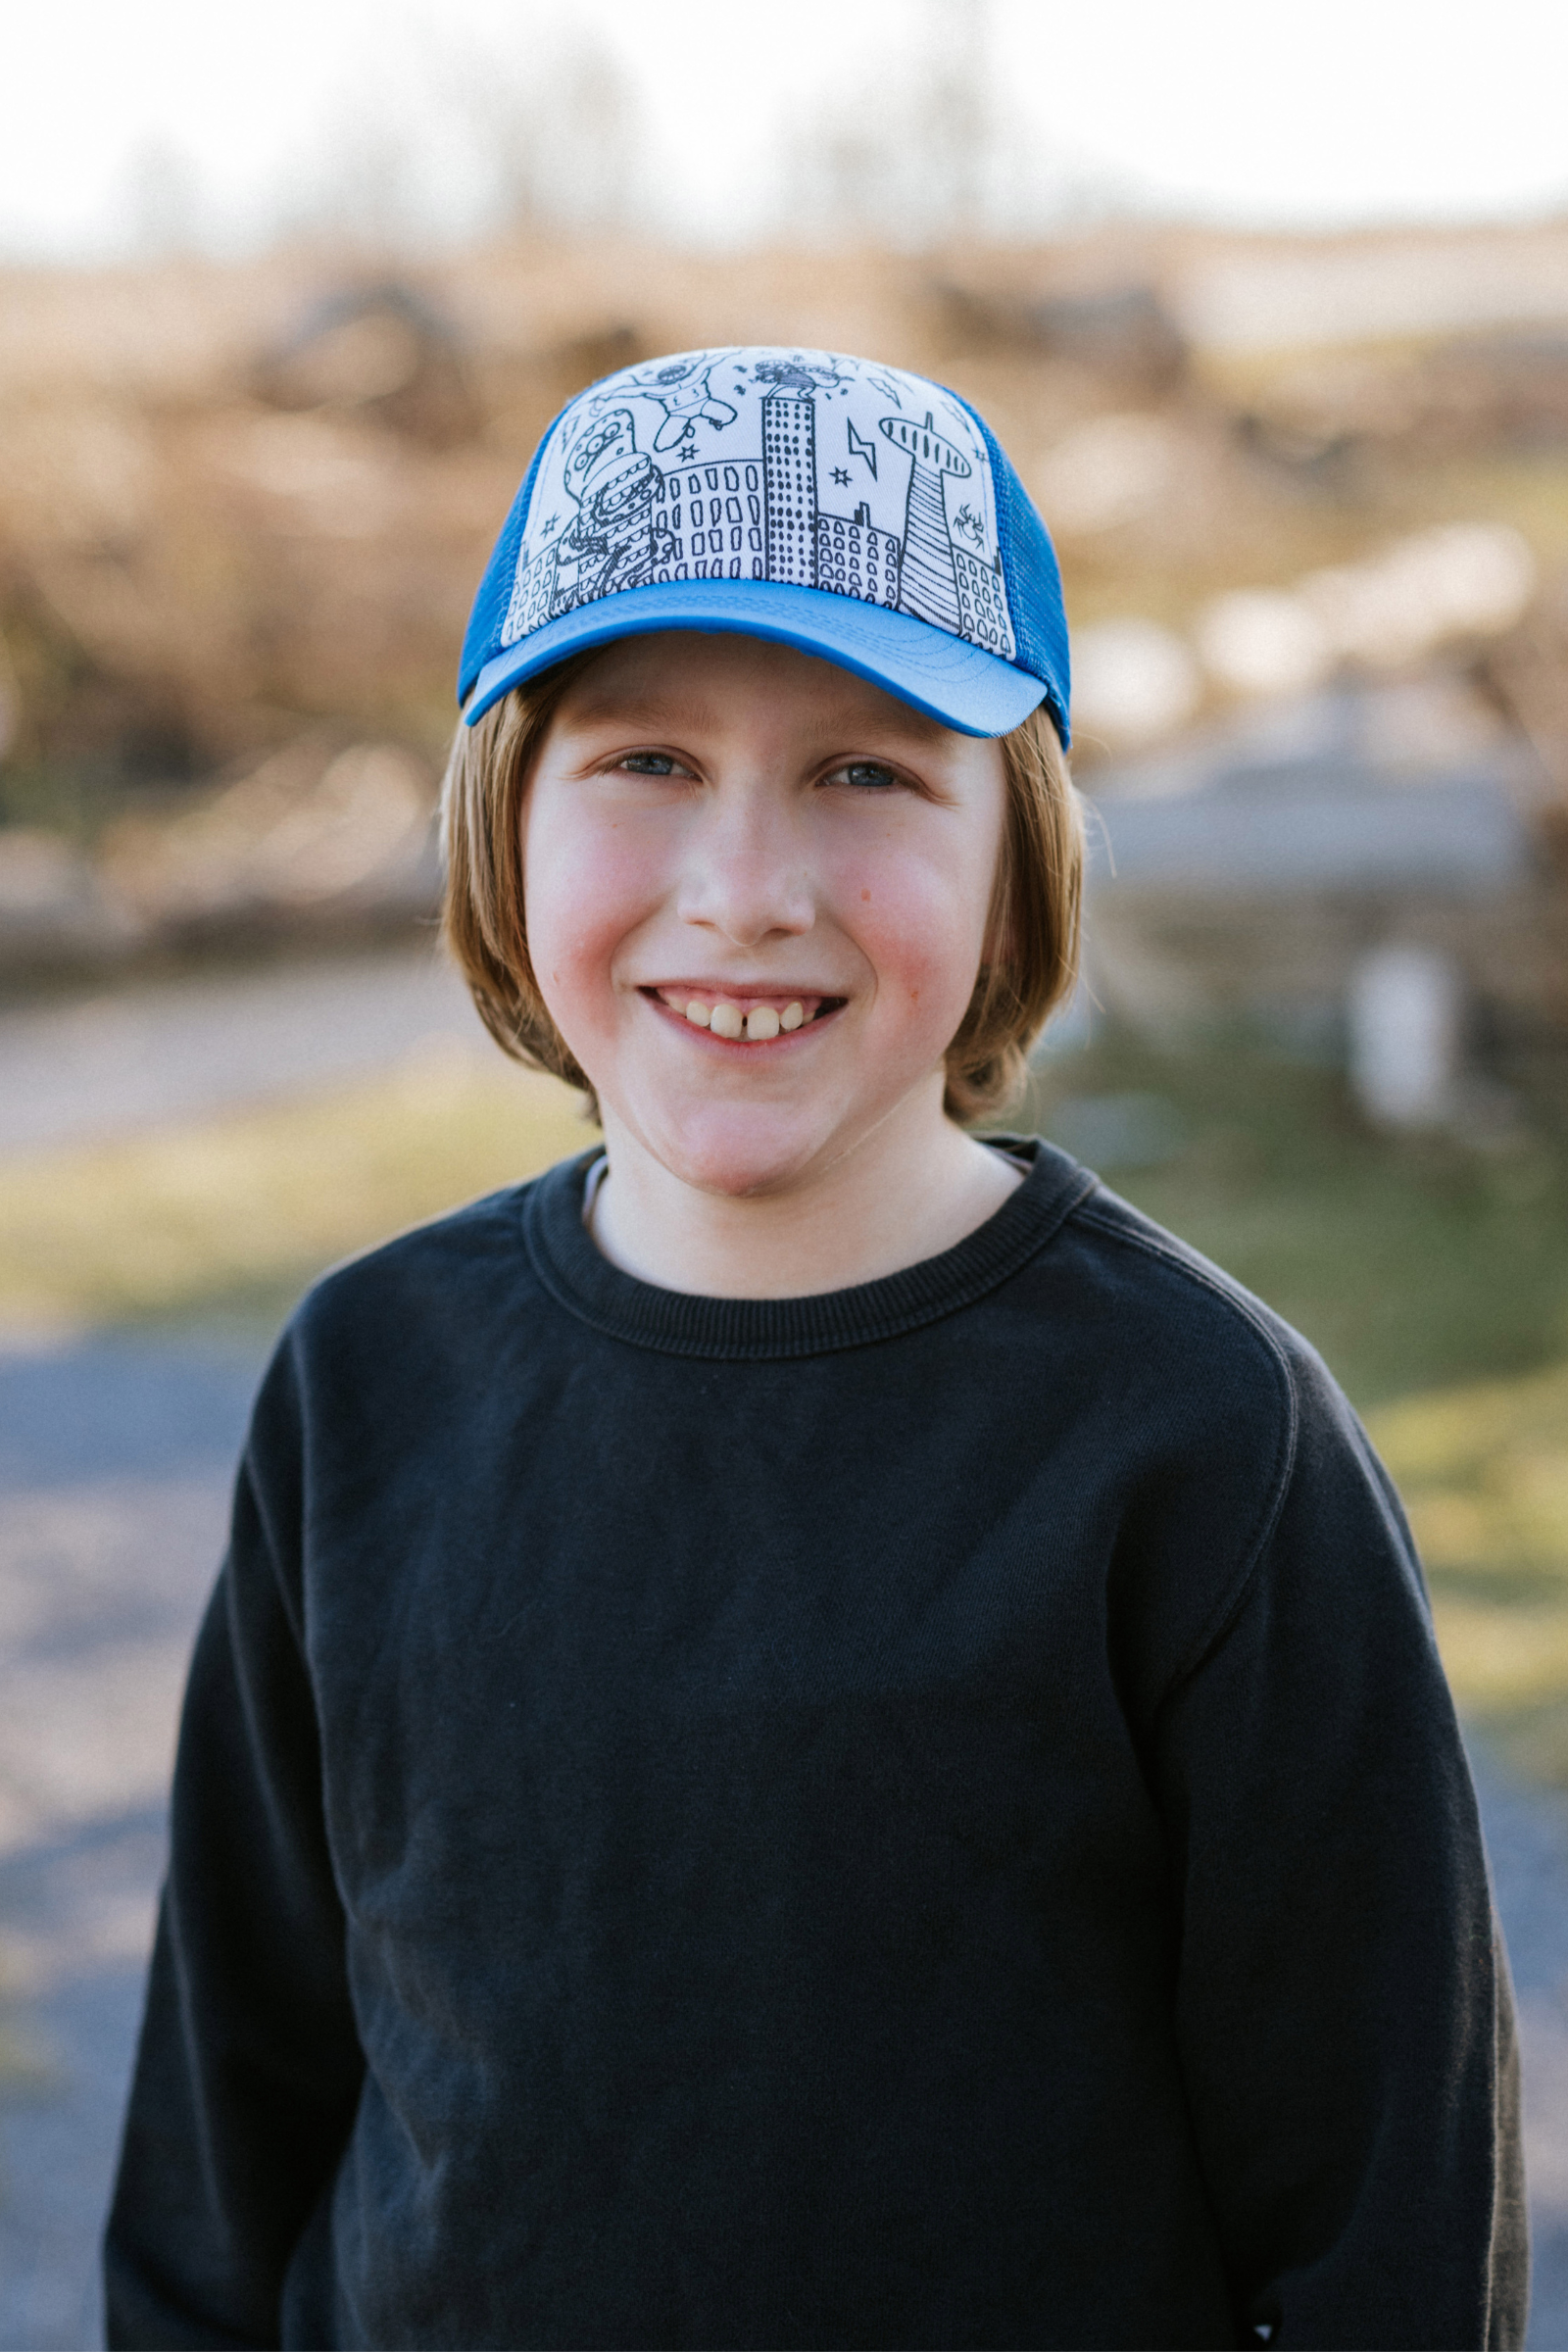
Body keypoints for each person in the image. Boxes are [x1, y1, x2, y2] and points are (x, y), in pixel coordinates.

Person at [104, 346, 1527, 2351]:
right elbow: (221, 2132)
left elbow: (1383, 2223)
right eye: (644, 763)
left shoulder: (1204, 1442)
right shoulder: (366, 1384)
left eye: (865, 770)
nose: (746, 891)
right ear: (502, 826)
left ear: (1012, 847)